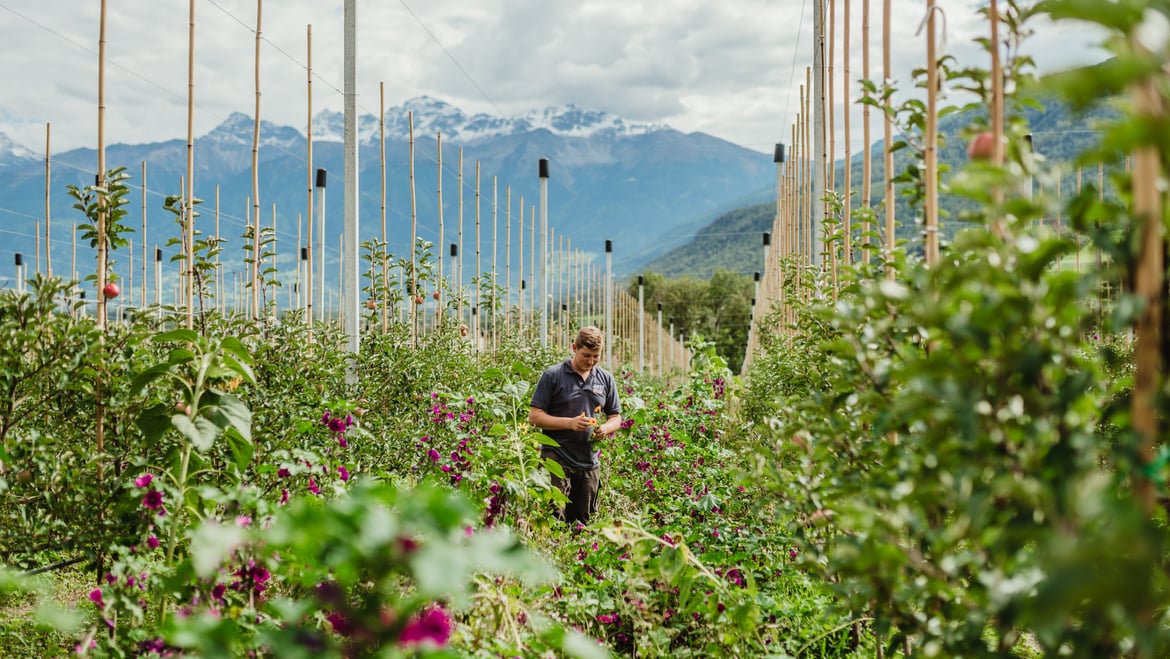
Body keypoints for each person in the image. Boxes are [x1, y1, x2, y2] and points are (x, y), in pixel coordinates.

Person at [528, 326, 622, 525]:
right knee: (552, 518)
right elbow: (535, 417)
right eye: (586, 355)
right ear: (574, 347)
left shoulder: (605, 379)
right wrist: (570, 423)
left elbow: (616, 417)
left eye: (596, 356)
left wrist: (605, 429)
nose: (590, 361)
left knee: (582, 523)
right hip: (556, 457)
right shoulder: (553, 375)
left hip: (589, 462)